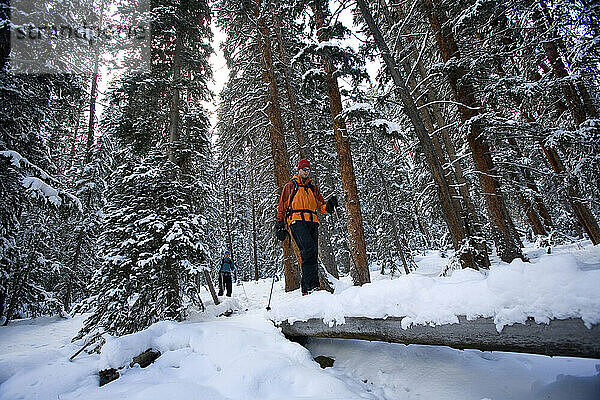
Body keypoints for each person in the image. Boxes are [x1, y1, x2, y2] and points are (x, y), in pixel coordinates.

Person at [275, 159, 338, 295]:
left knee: (312, 253)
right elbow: (282, 206)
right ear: (299, 170)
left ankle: (306, 289)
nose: (306, 172)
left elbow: (321, 206)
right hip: (297, 221)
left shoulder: (312, 188)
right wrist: (279, 224)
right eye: (304, 169)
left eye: (308, 170)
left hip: (312, 222)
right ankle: (313, 287)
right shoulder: (290, 186)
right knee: (308, 249)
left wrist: (330, 205)